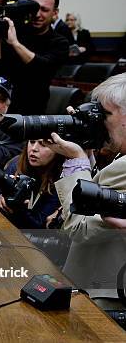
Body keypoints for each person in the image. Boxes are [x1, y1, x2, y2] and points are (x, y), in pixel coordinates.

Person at [47, 72, 126, 307]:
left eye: (107, 114)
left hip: (104, 291)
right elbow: (102, 193)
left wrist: (76, 161)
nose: (100, 120)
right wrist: (88, 151)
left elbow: (80, 226)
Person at [0, 0, 69, 114]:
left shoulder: (60, 42)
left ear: (55, 13)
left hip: (32, 109)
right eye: (34, 8)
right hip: (3, 105)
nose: (37, 14)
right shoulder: (16, 31)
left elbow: (42, 68)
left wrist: (15, 44)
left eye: (44, 10)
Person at [0, 139, 64, 228]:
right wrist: (1, 199)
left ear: (58, 150)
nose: (34, 148)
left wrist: (20, 209)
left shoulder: (62, 179)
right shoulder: (17, 163)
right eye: (32, 141)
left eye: (43, 144)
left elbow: (40, 225)